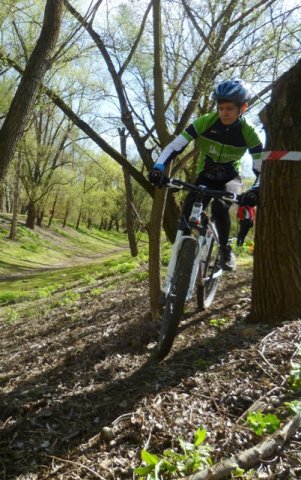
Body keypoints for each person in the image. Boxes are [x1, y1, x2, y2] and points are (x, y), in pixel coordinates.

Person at [149, 78, 263, 271]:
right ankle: (178, 263)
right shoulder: (205, 122)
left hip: (230, 177)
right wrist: (158, 167)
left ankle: (226, 250)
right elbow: (175, 146)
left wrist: (255, 190)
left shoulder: (249, 132)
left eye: (229, 109)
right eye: (221, 108)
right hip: (205, 175)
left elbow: (261, 168)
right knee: (186, 215)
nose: (224, 113)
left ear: (242, 108)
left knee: (219, 208)